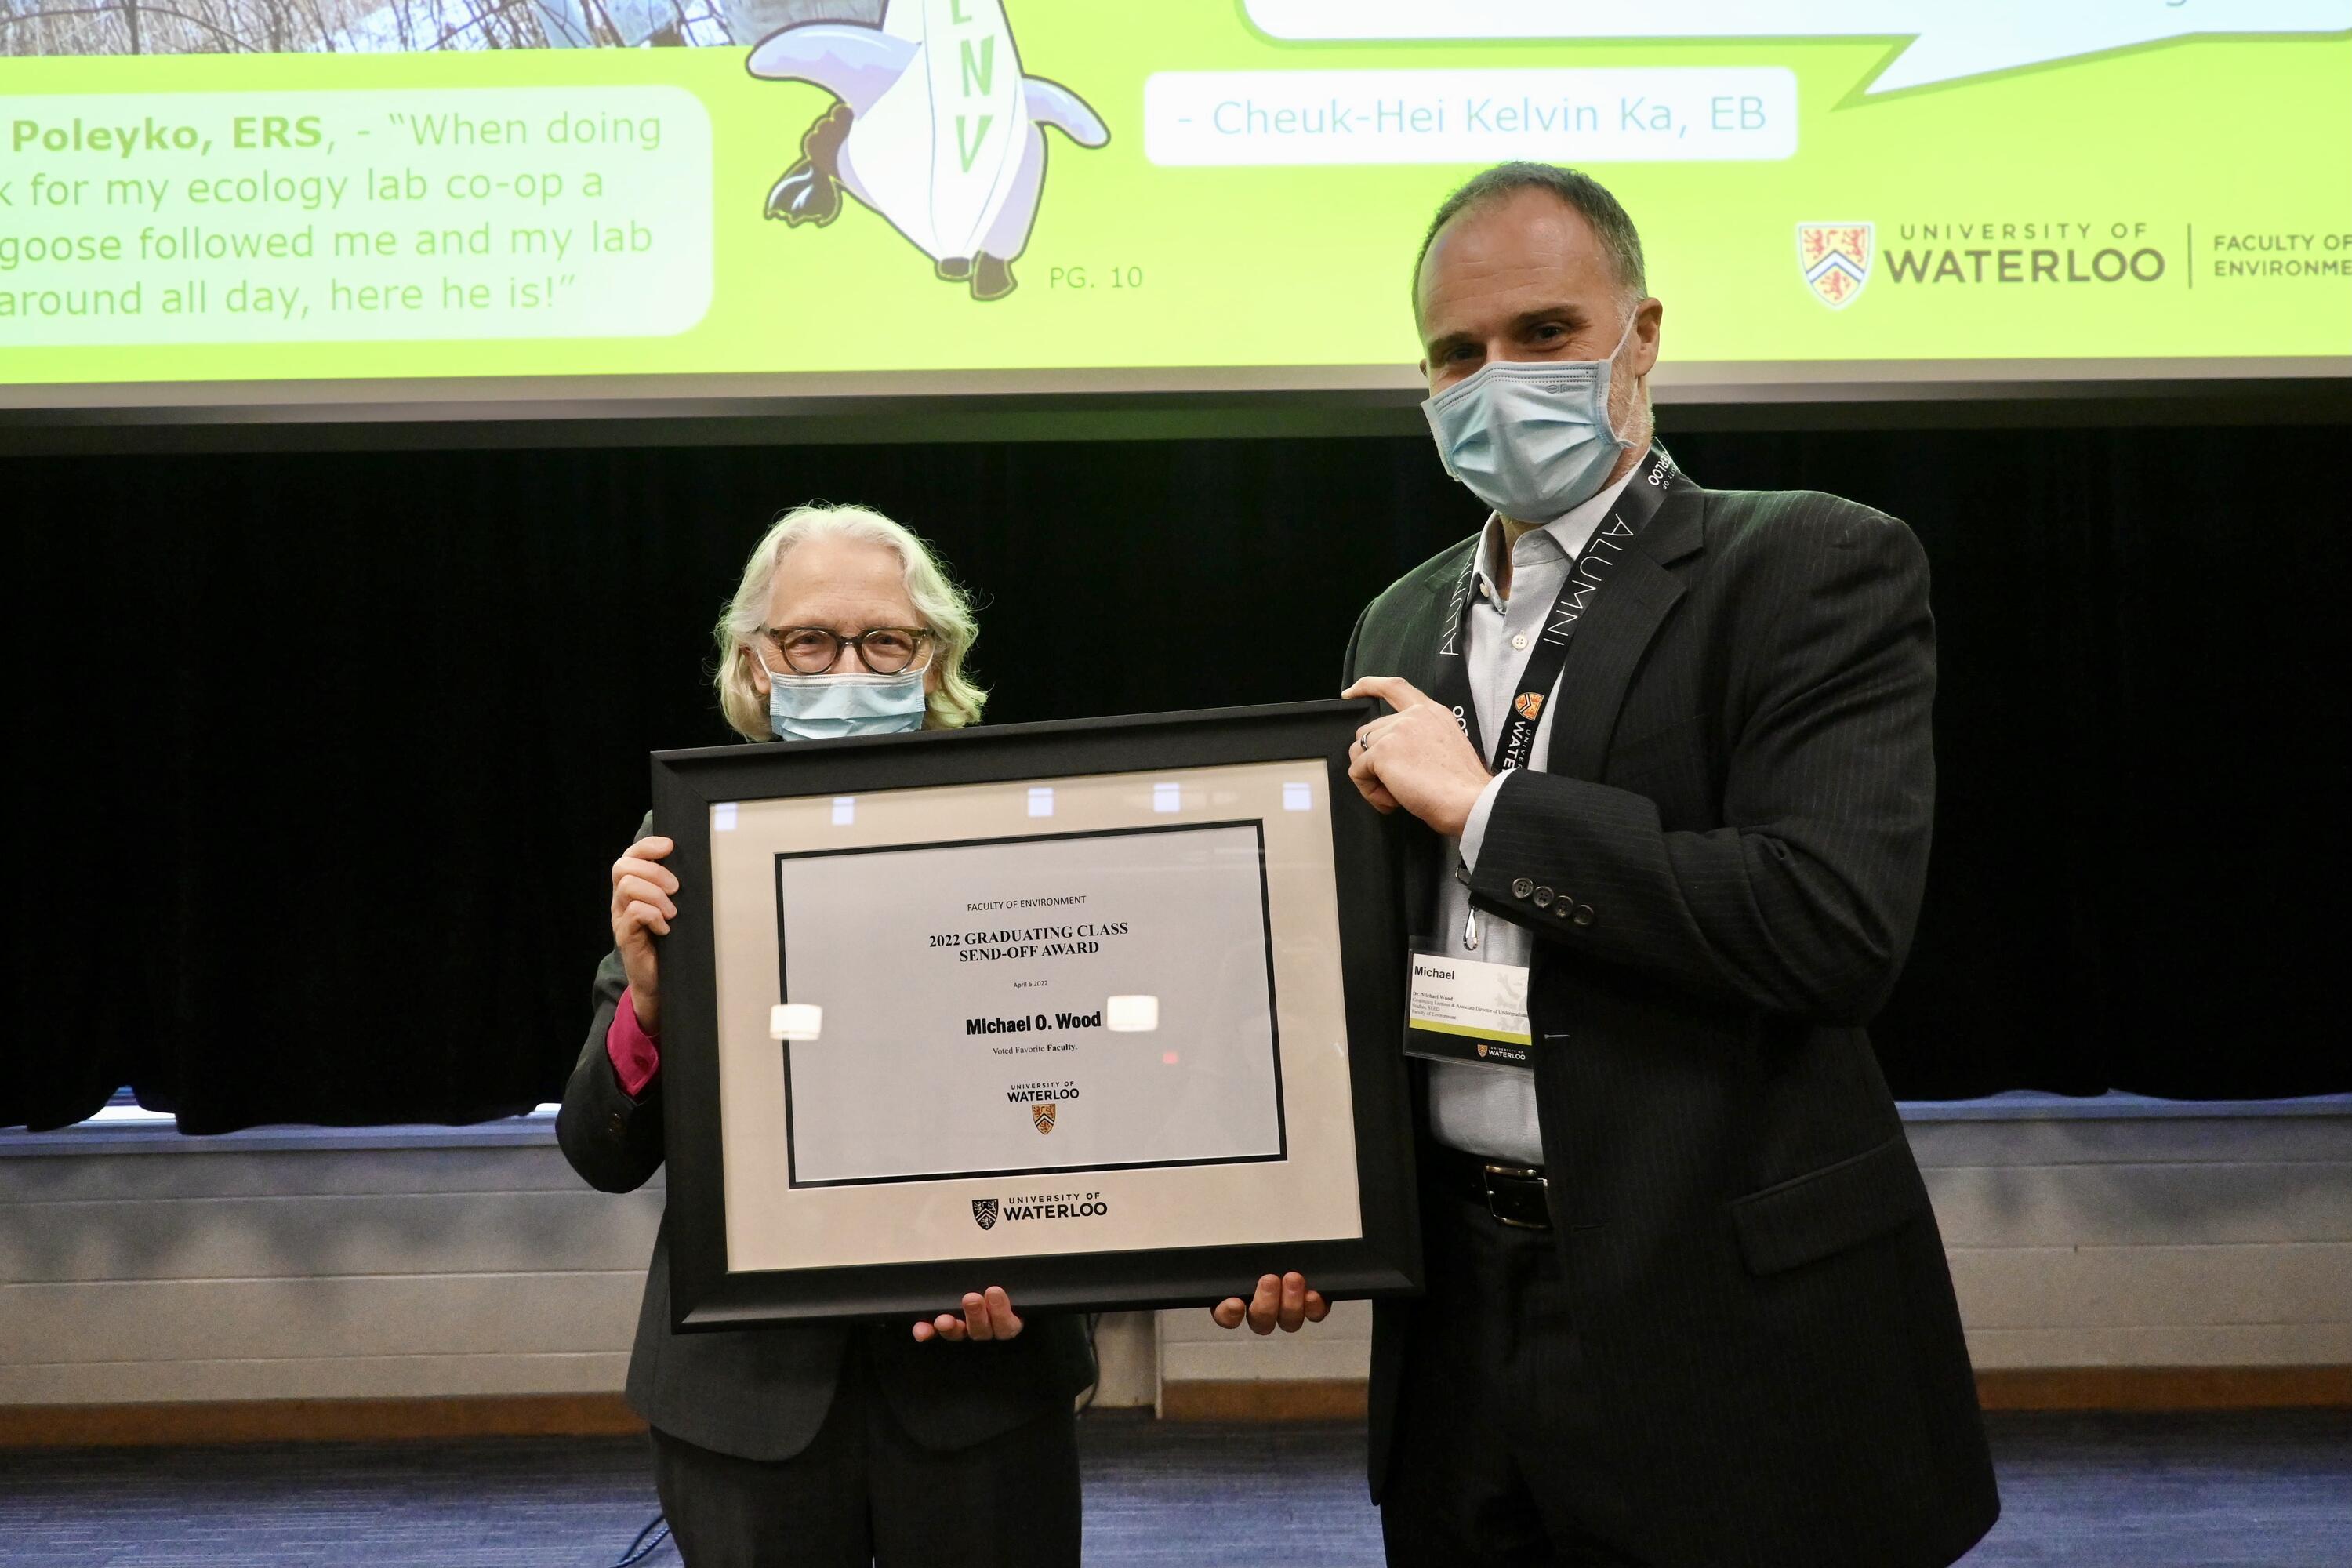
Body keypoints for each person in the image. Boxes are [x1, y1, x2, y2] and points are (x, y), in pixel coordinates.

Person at [1210, 164, 2001, 1566]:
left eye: (1544, 333)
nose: (1494, 376)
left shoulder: (1811, 562)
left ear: (1641, 335)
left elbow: (1829, 926)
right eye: (1457, 351)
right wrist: (1294, 1208)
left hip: (1728, 1319)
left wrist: (1488, 812)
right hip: (1456, 1313)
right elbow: (1361, 959)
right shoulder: (1397, 621)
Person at [557, 503, 1096, 1568]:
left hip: (984, 1378)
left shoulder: (1029, 829)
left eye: (883, 640)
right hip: (743, 1399)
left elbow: (1082, 1099)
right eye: (811, 640)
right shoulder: (680, 849)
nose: (847, 666)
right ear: (758, 664)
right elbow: (601, 1152)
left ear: (931, 659)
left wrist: (1038, 1271)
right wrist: (651, 1008)